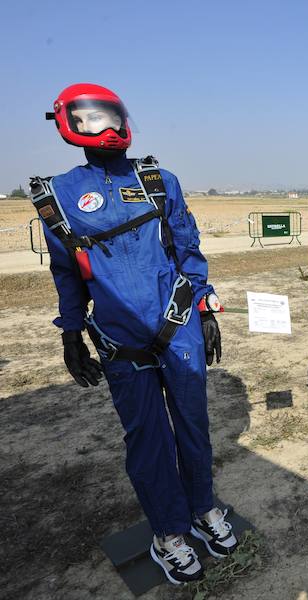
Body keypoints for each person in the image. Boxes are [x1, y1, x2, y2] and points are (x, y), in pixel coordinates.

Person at [31, 83, 236, 585]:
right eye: (92, 117)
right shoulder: (56, 195)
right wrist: (70, 333)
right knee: (148, 440)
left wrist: (205, 307)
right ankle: (168, 532)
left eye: (112, 116)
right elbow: (67, 271)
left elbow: (187, 247)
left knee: (193, 425)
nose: (107, 128)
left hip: (177, 322)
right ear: (70, 124)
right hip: (121, 339)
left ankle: (203, 508)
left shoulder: (158, 180)